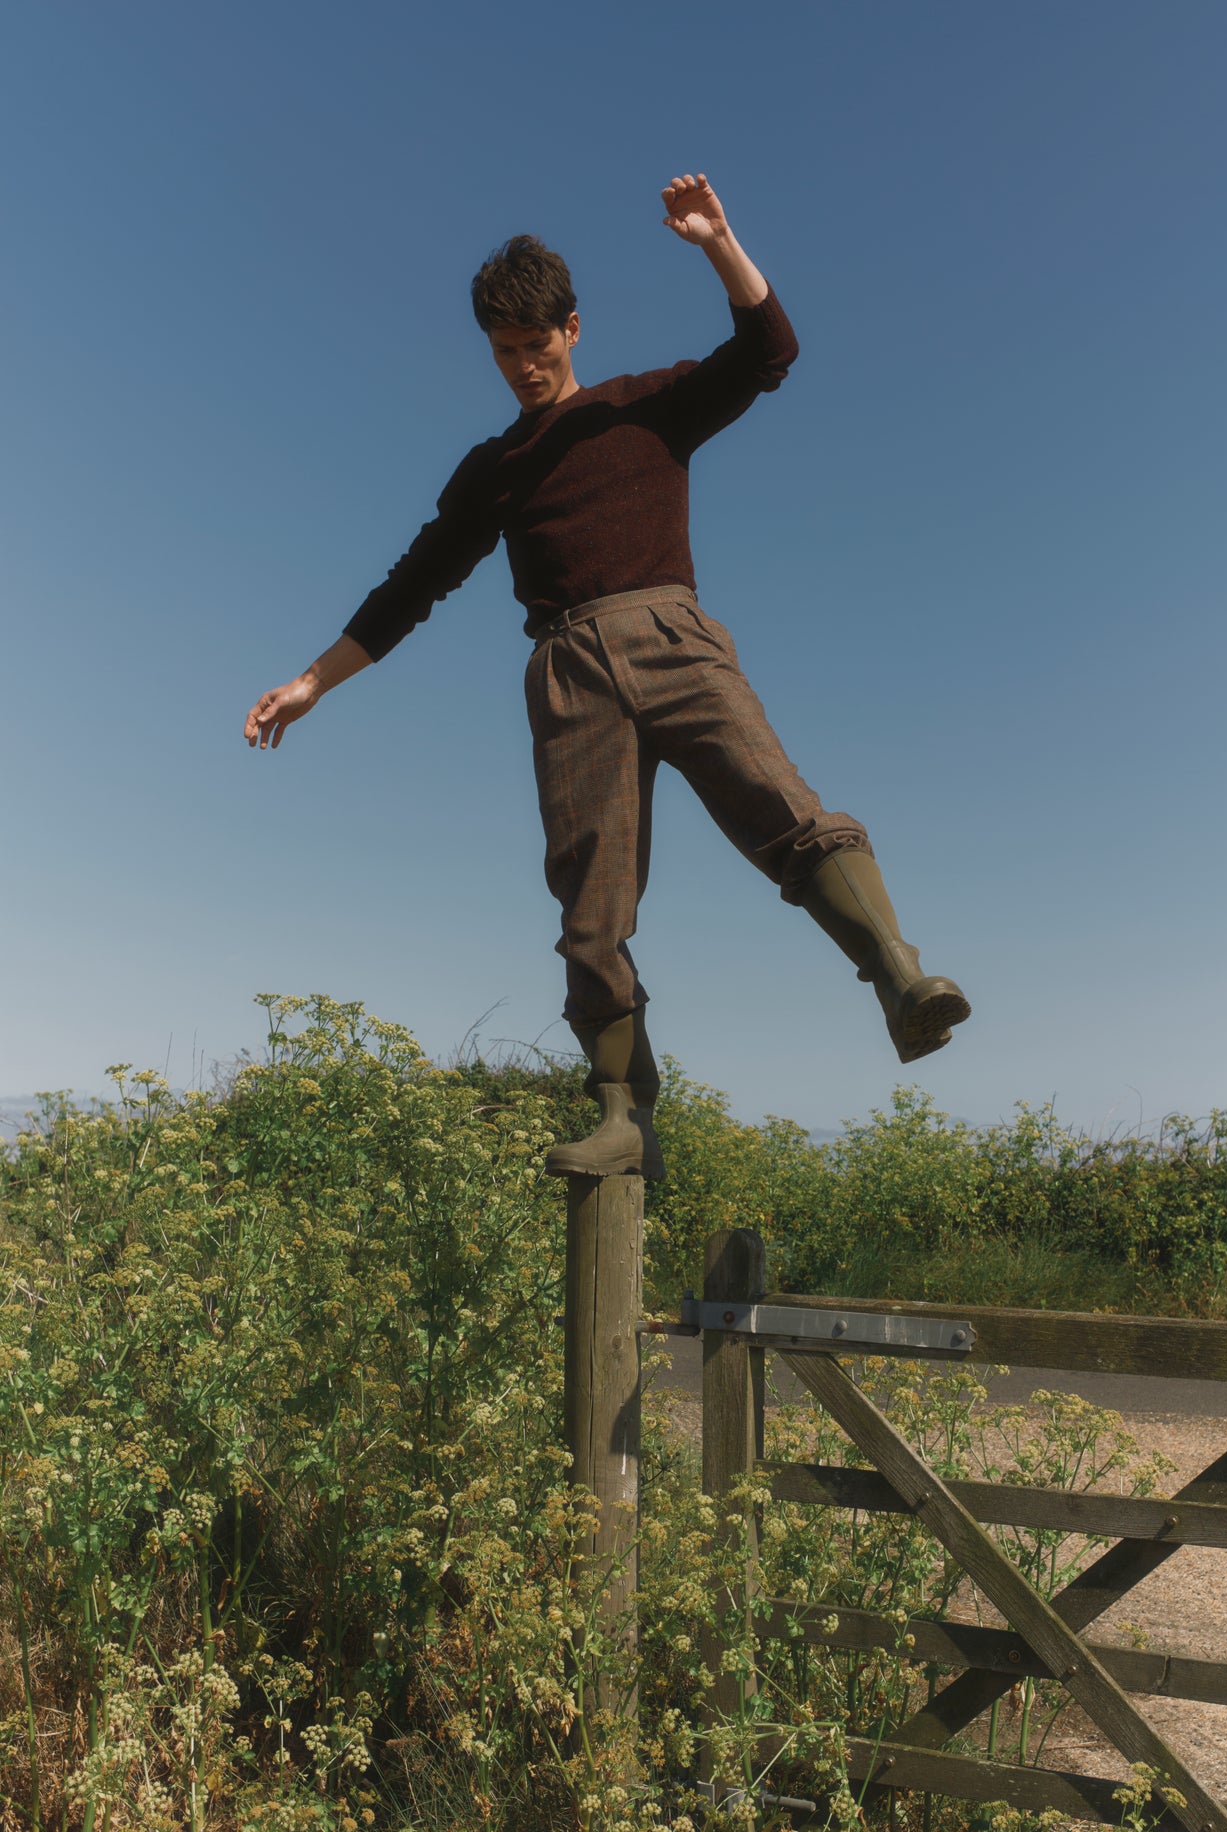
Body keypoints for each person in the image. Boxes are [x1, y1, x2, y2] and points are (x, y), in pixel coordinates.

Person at [244, 174, 968, 1179]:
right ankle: (624, 1115)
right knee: (589, 909)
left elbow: (770, 353)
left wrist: (717, 242)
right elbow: (411, 585)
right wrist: (314, 681)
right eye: (502, 352)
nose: (522, 369)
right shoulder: (491, 467)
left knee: (780, 807)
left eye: (536, 348)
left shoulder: (644, 406)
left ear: (571, 330)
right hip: (565, 673)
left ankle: (899, 978)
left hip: (671, 637)